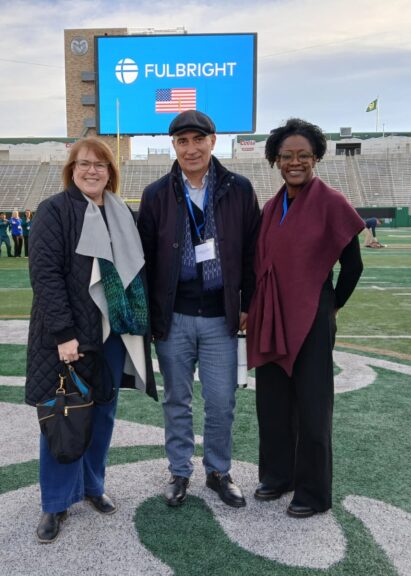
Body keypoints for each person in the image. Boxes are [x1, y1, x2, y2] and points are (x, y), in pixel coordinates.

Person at [26, 137, 157, 544]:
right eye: (84, 163)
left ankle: (91, 485)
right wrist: (63, 334)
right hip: (71, 336)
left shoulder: (121, 212)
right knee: (65, 415)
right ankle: (55, 502)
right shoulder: (54, 210)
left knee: (102, 414)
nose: (92, 171)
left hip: (112, 332)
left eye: (100, 164)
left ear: (110, 172)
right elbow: (45, 276)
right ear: (72, 169)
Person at [138, 110, 260, 509]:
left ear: (213, 141)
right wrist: (151, 315)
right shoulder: (156, 193)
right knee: (177, 400)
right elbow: (145, 261)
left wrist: (248, 302)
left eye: (198, 140)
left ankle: (218, 470)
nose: (191, 149)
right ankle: (179, 471)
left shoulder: (239, 189)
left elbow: (253, 253)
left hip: (221, 315)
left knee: (221, 401)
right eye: (182, 141)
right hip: (173, 316)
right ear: (174, 145)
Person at [247, 118, 364, 519]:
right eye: (286, 156)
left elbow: (353, 266)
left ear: (315, 158)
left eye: (303, 155)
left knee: (313, 407)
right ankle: (277, 476)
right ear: (275, 160)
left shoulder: (331, 202)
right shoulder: (271, 206)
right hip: (271, 316)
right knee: (273, 403)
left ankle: (313, 492)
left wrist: (332, 306)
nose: (294, 162)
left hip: (312, 316)